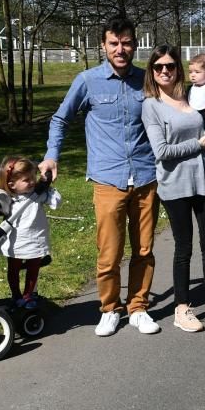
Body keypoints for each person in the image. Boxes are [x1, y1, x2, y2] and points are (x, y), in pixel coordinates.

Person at [41, 17, 161, 337]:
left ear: (135, 44)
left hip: (147, 177)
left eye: (126, 43)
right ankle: (110, 308)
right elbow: (60, 119)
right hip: (108, 179)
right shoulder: (87, 81)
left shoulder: (148, 80)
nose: (120, 49)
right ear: (104, 45)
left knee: (144, 249)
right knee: (109, 253)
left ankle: (138, 307)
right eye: (114, 43)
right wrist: (52, 155)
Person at [141, 45, 205, 333]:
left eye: (170, 66)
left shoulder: (192, 96)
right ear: (152, 72)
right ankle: (182, 308)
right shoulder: (151, 105)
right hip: (175, 185)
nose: (165, 71)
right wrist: (199, 145)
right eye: (158, 67)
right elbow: (162, 151)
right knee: (183, 248)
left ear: (178, 68)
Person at [0, 156, 62, 309]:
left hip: (35, 239)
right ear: (12, 184)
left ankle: (28, 295)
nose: (32, 182)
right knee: (14, 269)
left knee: (33, 268)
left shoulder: (37, 194)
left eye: (33, 177)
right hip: (16, 241)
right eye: (26, 180)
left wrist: (48, 187)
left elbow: (56, 203)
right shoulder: (8, 199)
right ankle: (16, 295)